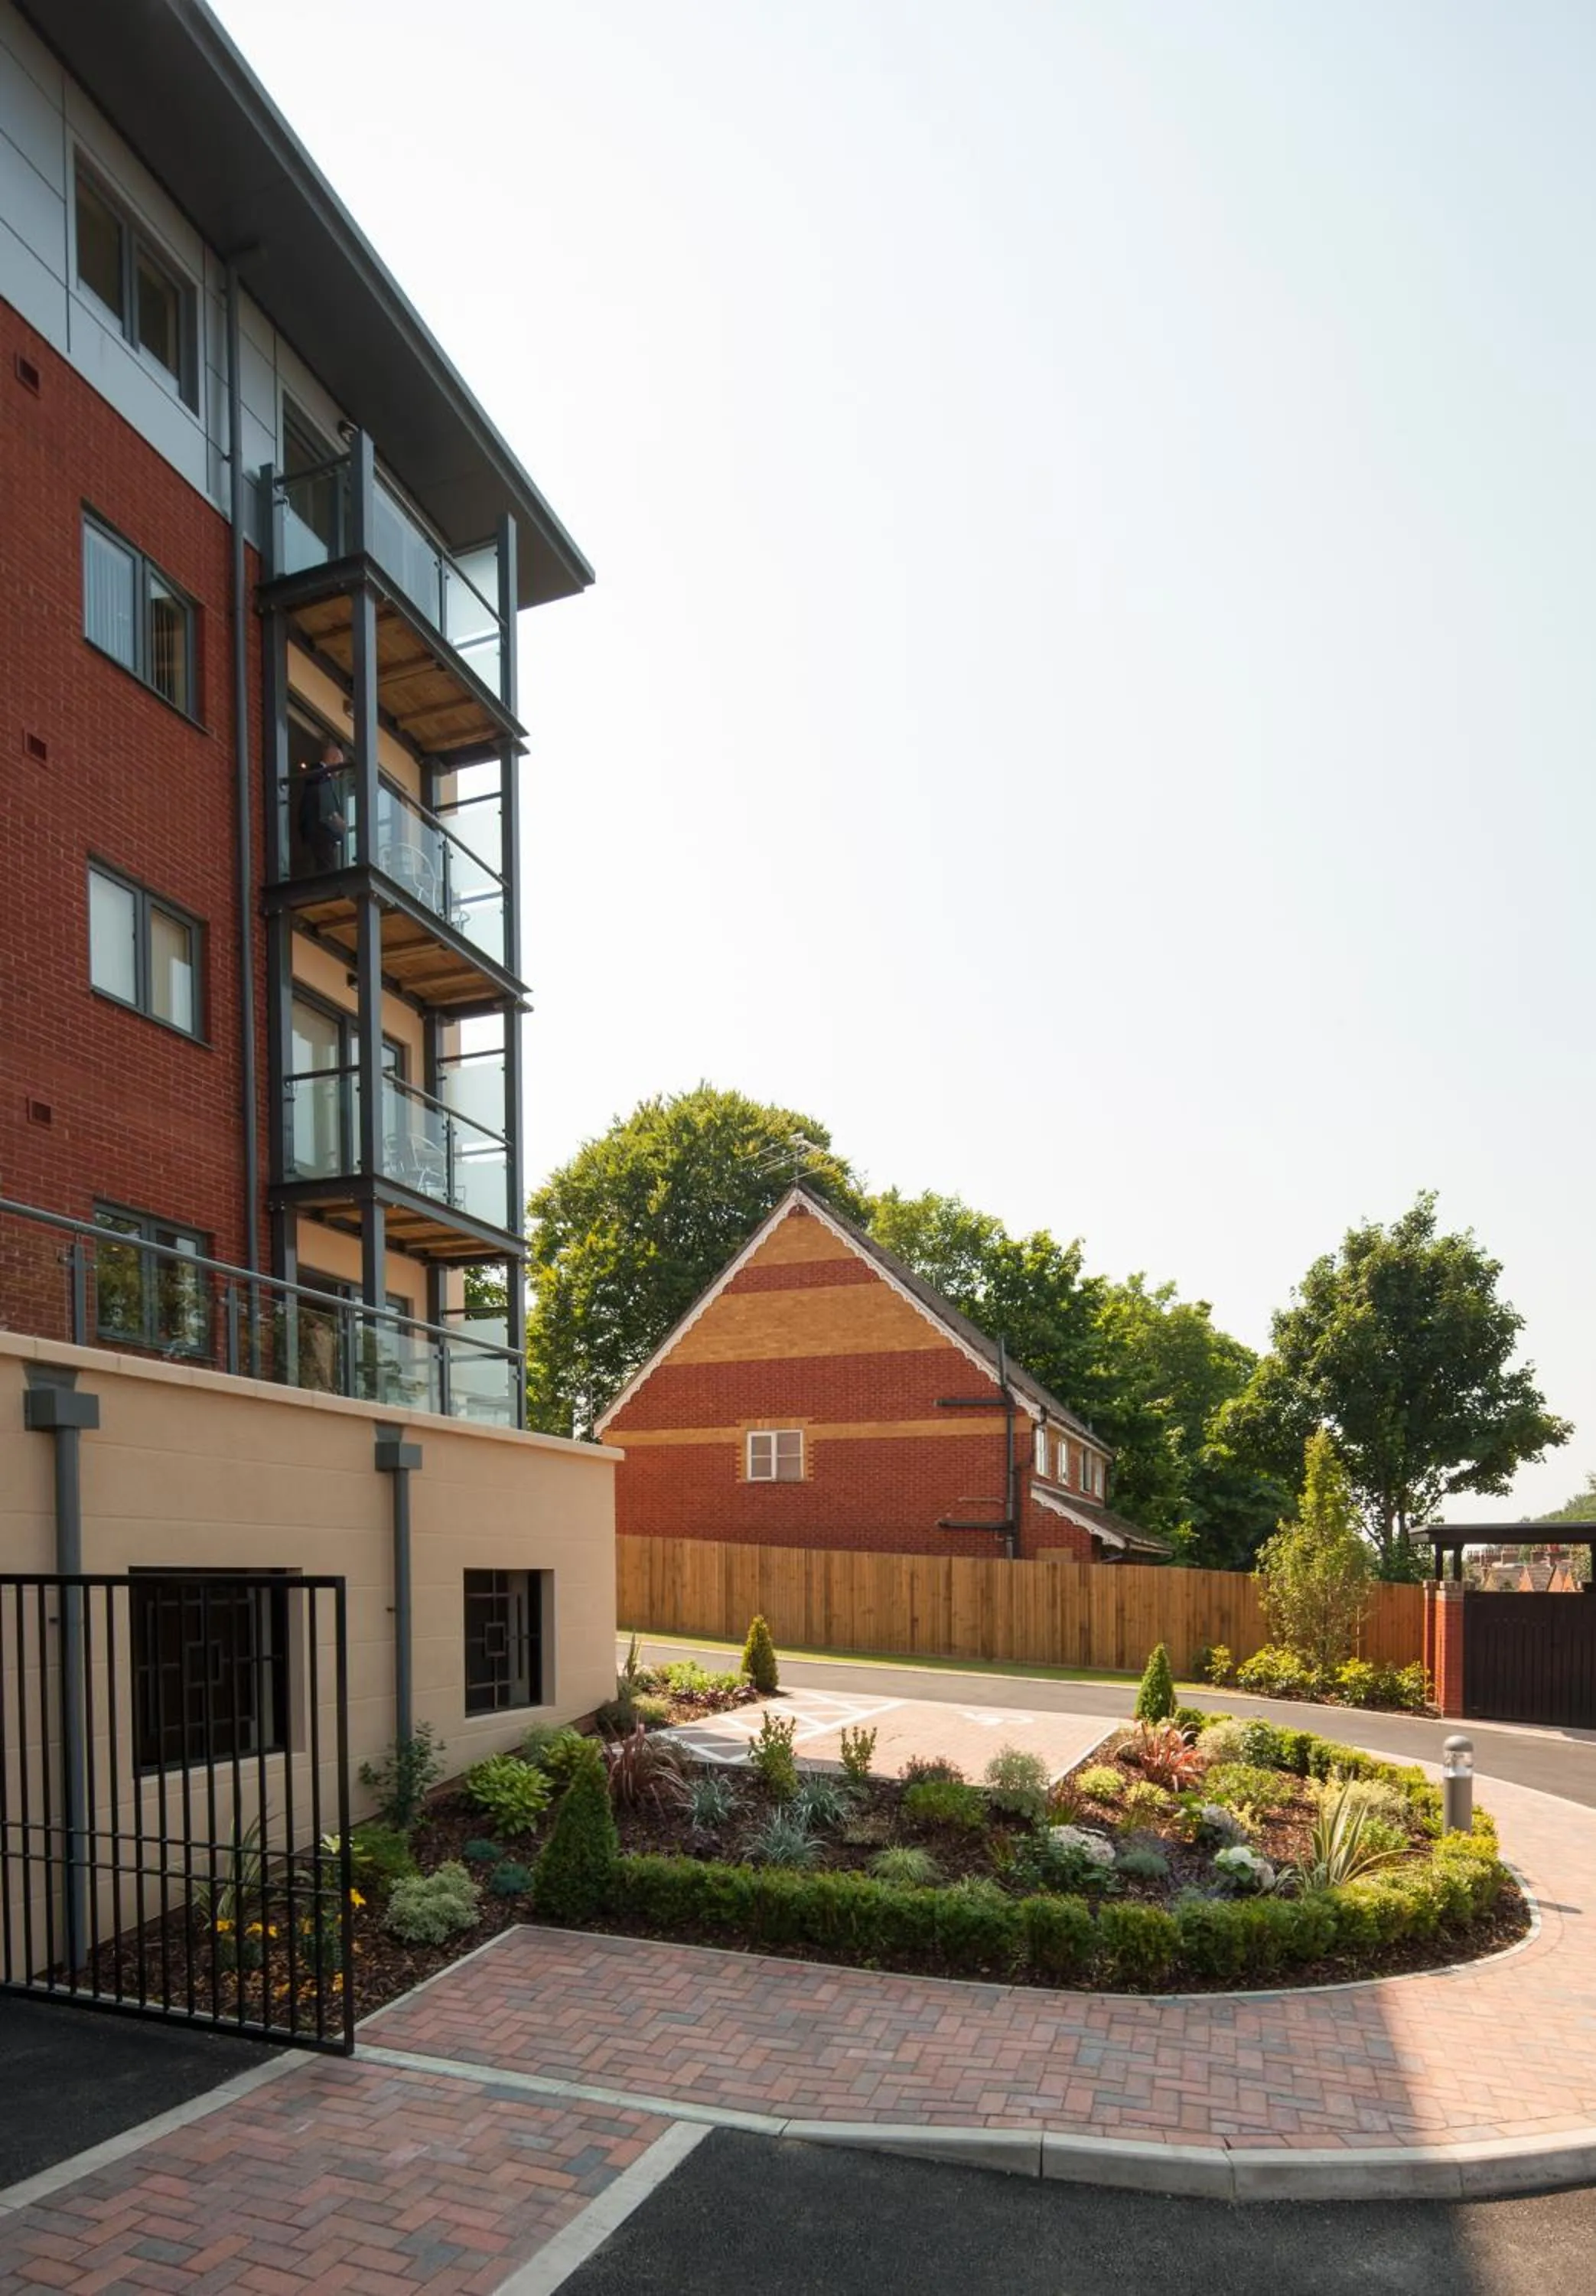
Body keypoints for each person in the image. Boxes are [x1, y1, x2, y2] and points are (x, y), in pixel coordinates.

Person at [298, 741, 348, 872]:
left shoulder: (324, 778)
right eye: (340, 764)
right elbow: (322, 802)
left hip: (321, 832)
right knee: (326, 869)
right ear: (334, 759)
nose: (341, 770)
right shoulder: (318, 773)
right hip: (319, 832)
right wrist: (335, 817)